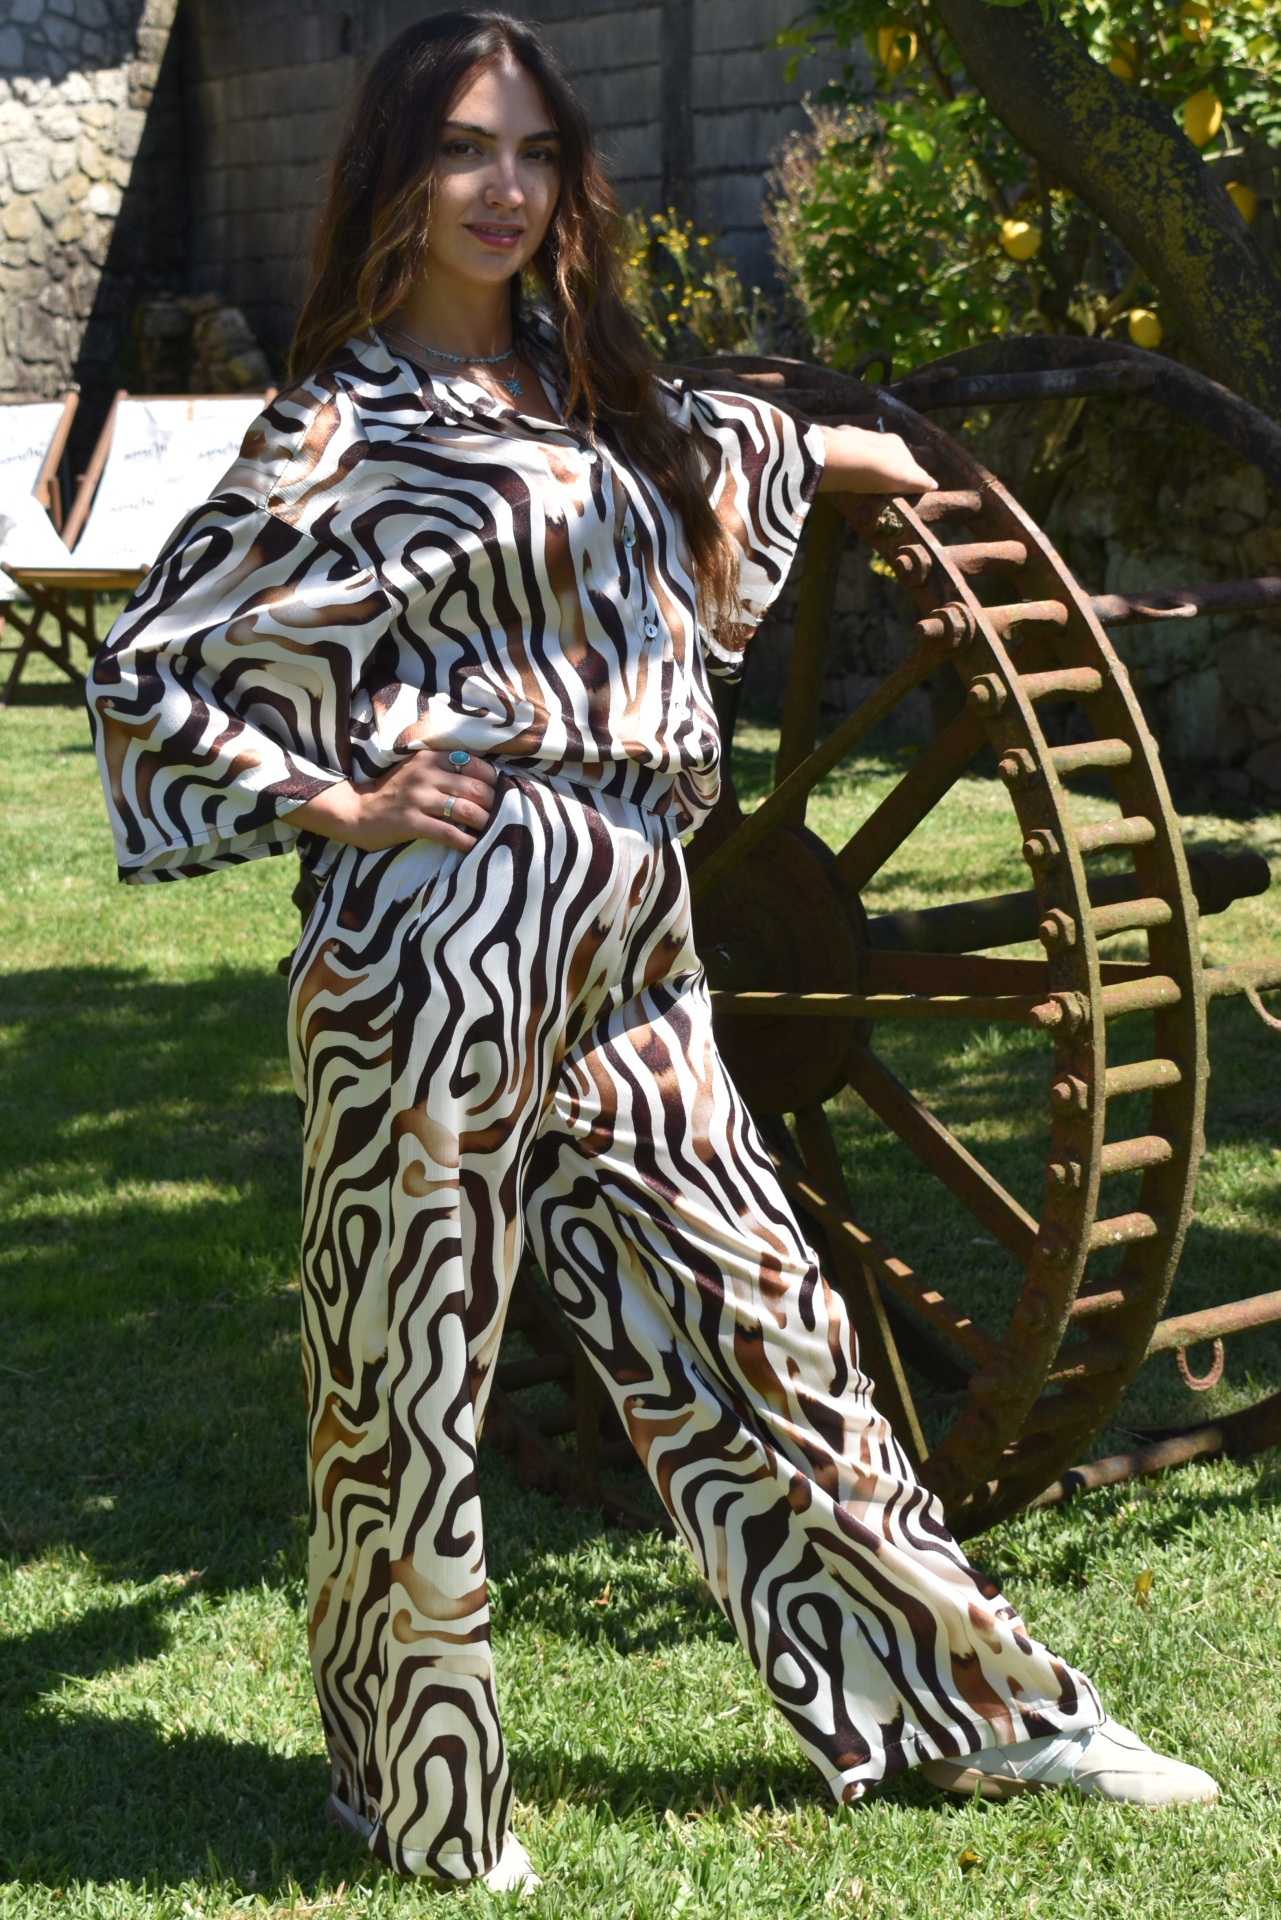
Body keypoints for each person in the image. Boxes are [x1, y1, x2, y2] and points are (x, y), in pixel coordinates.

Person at [86, 9, 1218, 1894]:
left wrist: (837, 446)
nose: (504, 187)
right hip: (439, 933)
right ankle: (419, 1791)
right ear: (393, 171)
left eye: (534, 151)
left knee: (768, 1314)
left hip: (633, 917)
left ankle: (977, 1712)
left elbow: (718, 459)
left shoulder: (579, 387)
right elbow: (151, 671)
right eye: (464, 148)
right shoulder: (338, 422)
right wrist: (338, 797)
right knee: (409, 1365)